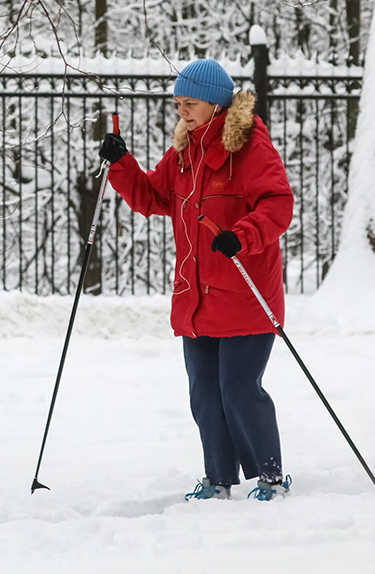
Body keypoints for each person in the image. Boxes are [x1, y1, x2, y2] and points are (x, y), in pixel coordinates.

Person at [98, 58, 295, 501]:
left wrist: (241, 236)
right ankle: (218, 479)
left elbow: (278, 205)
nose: (182, 111)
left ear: (215, 103)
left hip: (246, 293)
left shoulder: (249, 149)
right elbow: (153, 197)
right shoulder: (184, 152)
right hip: (197, 298)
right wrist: (122, 163)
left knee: (239, 390)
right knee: (205, 395)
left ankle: (270, 477)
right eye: (178, 103)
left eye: (190, 103)